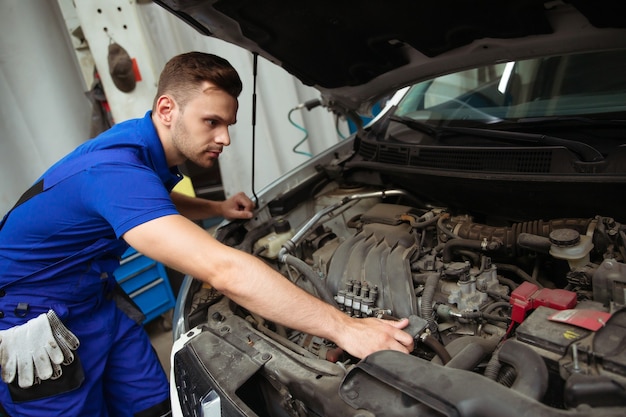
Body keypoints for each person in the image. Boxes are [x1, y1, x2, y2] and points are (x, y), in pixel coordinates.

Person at [0, 52, 413, 416]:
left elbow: (152, 199)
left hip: (93, 301)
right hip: (32, 317)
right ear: (166, 108)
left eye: (228, 124)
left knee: (151, 403)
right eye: (211, 122)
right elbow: (224, 270)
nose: (224, 138)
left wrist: (216, 208)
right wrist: (346, 328)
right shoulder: (113, 171)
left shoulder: (143, 148)